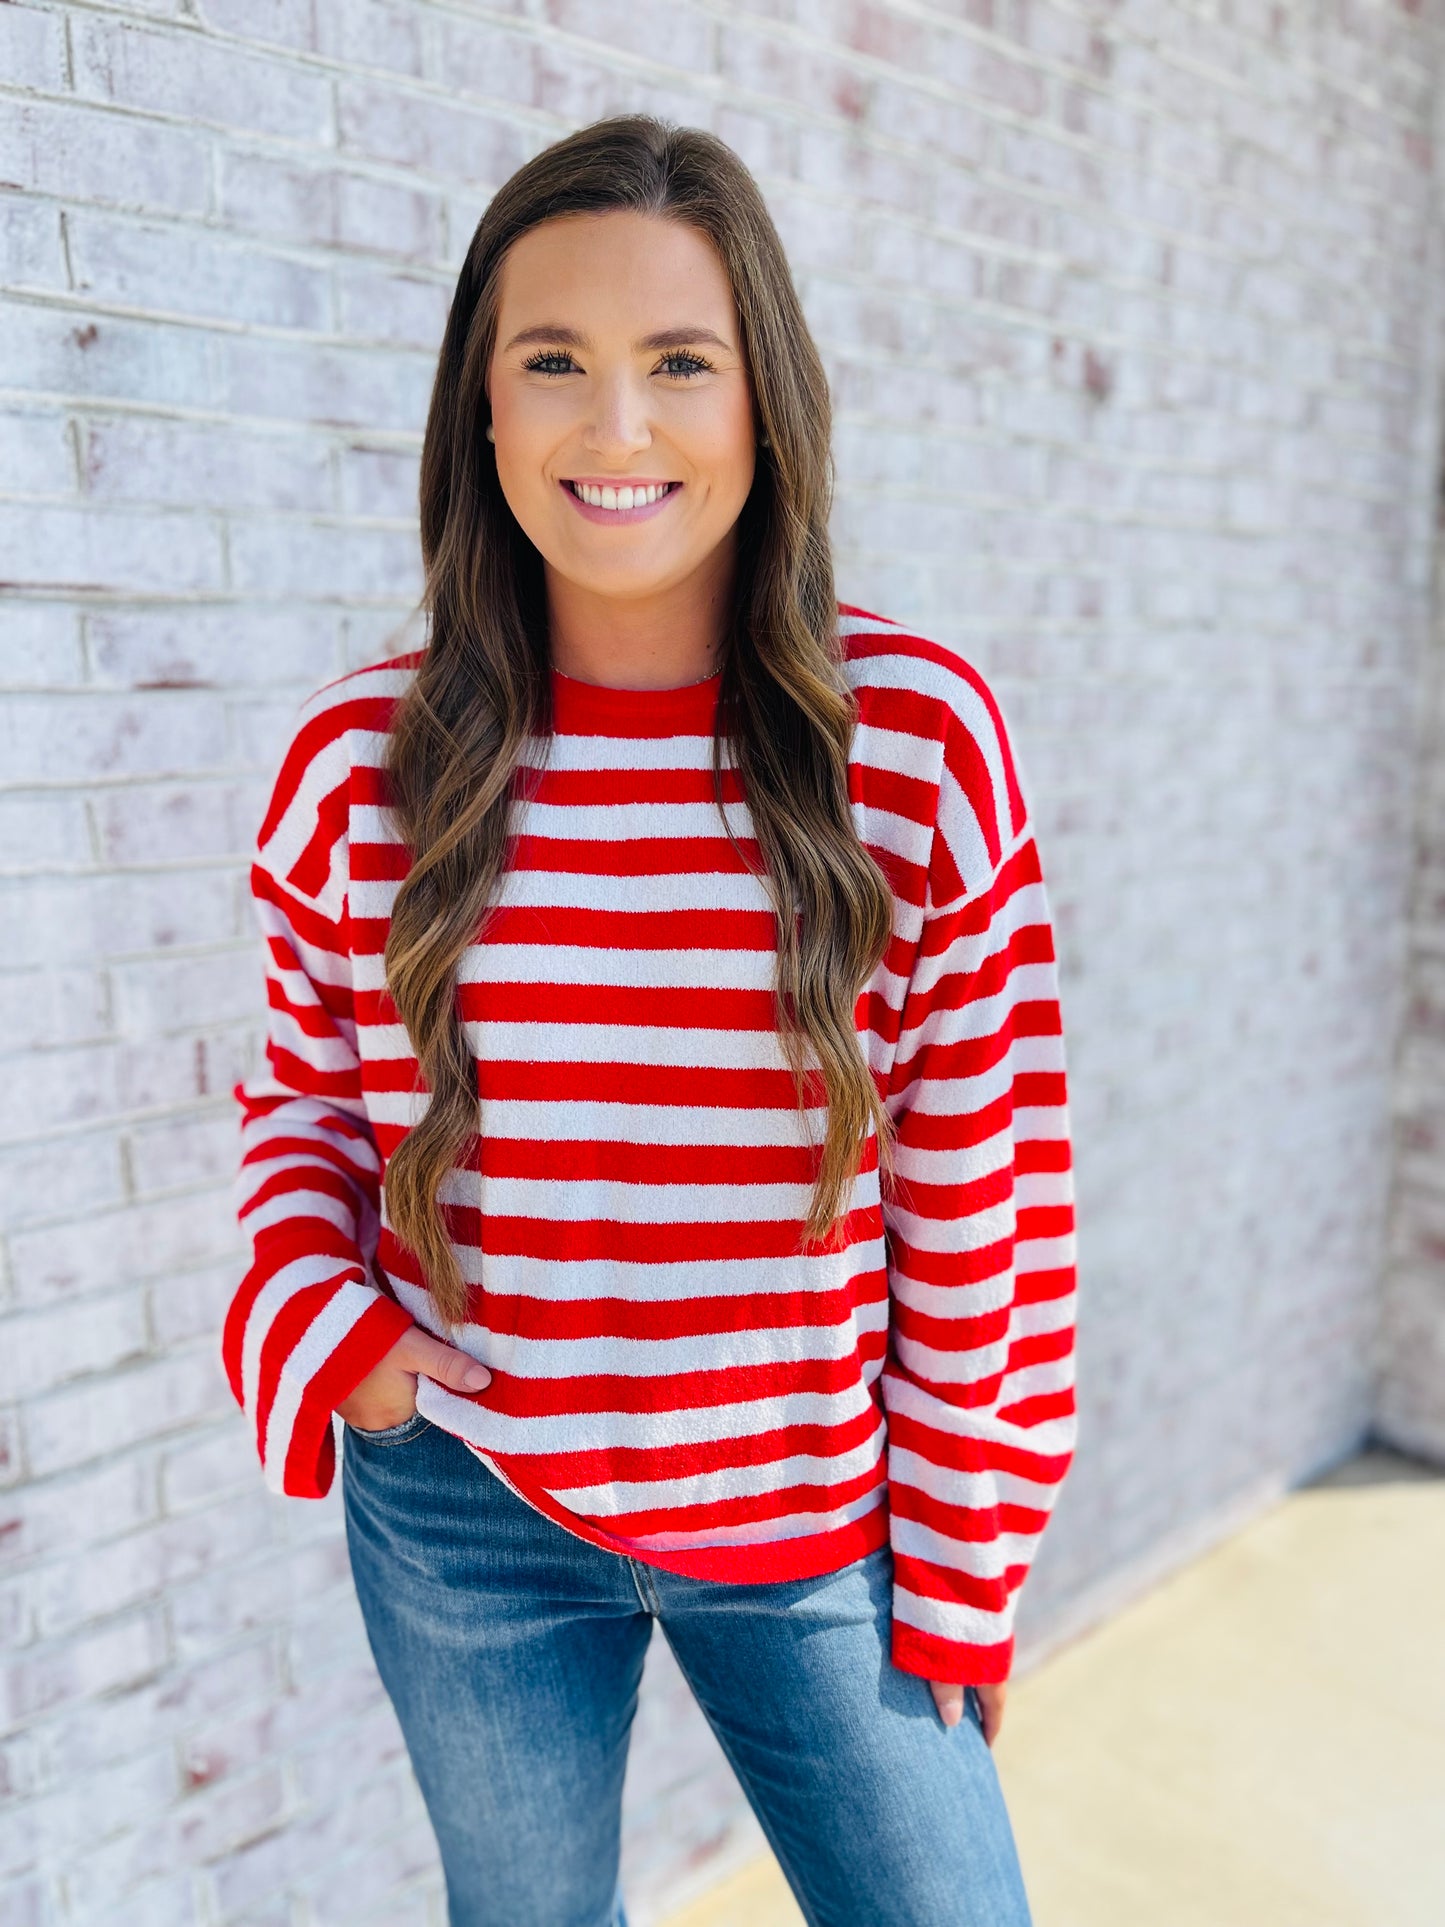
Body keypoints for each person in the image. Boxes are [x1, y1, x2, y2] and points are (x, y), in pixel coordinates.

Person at [221, 113, 1078, 1927]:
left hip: (820, 1531)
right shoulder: (358, 769)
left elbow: (988, 1191)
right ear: (483, 410)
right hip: (468, 1513)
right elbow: (300, 1115)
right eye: (556, 367)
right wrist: (334, 1346)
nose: (616, 430)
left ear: (764, 402)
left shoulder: (910, 747)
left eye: (678, 364)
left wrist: (965, 1564)